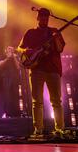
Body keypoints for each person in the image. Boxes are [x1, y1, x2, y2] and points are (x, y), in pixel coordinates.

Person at [18, 7, 65, 138]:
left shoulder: (55, 31)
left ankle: (60, 129)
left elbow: (60, 49)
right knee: (37, 101)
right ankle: (38, 129)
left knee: (56, 101)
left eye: (46, 17)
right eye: (42, 16)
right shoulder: (31, 32)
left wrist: (55, 39)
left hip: (53, 69)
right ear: (38, 17)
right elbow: (19, 48)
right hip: (36, 69)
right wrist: (29, 52)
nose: (44, 19)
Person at [0, 46, 20, 118]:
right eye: (8, 49)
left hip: (14, 78)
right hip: (6, 78)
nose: (9, 50)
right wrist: (8, 58)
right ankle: (7, 113)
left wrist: (13, 57)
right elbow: (1, 64)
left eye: (11, 49)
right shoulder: (3, 57)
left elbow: (18, 67)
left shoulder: (15, 57)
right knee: (7, 95)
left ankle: (16, 113)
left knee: (15, 95)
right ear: (5, 50)